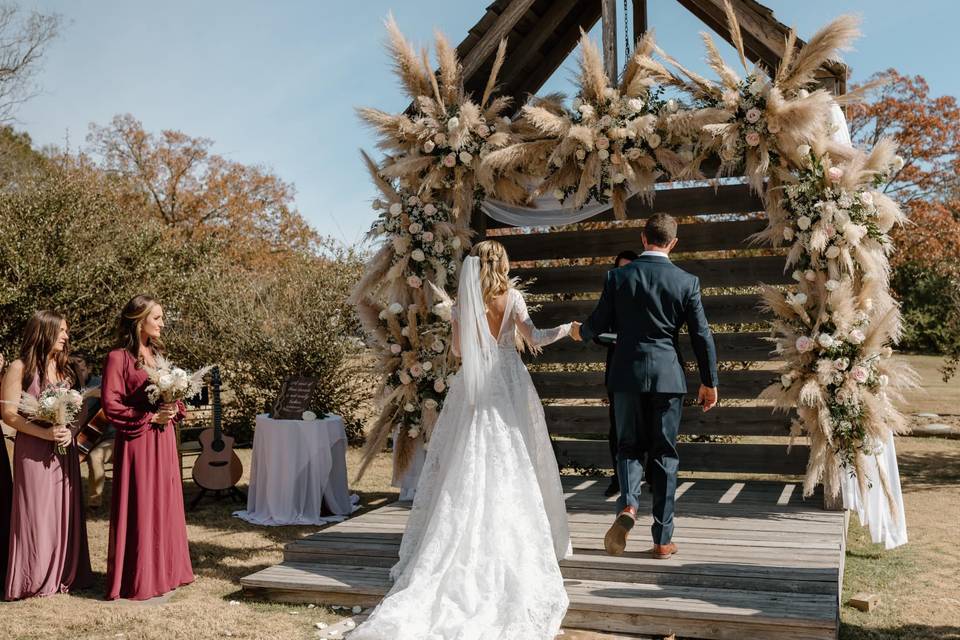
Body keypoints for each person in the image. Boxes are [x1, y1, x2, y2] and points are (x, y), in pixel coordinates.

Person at [351, 240, 577, 639]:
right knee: (515, 459)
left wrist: (473, 339)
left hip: (473, 388)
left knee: (468, 459)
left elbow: (457, 351)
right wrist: (567, 330)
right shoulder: (514, 298)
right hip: (509, 382)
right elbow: (535, 338)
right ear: (503, 264)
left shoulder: (464, 302)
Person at [573, 213, 719, 559]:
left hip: (626, 375)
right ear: (673, 242)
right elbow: (702, 335)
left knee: (627, 447)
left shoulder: (618, 277)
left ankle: (627, 506)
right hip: (669, 377)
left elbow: (597, 323)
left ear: (643, 238)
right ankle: (662, 540)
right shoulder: (687, 282)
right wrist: (709, 382)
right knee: (665, 454)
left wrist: (581, 331)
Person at [101, 294, 193, 600]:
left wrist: (172, 407)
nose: (163, 323)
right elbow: (111, 403)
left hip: (163, 438)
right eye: (158, 318)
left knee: (165, 501)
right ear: (139, 320)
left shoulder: (157, 355)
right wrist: (149, 415)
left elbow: (171, 395)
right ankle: (140, 576)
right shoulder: (118, 358)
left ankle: (168, 570)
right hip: (138, 440)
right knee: (142, 502)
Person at [0, 311, 93, 599]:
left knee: (63, 510)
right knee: (36, 513)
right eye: (61, 330)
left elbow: (81, 408)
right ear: (45, 331)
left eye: (66, 330)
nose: (66, 336)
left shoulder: (64, 369)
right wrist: (45, 434)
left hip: (63, 451)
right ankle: (35, 577)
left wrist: (71, 430)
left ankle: (66, 571)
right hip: (33, 450)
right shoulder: (19, 367)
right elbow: (7, 413)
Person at [597, 250, 639, 497]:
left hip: (644, 372)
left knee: (646, 428)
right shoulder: (610, 297)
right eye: (621, 268)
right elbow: (597, 332)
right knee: (617, 428)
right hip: (617, 371)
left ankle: (651, 479)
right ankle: (618, 479)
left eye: (630, 268)